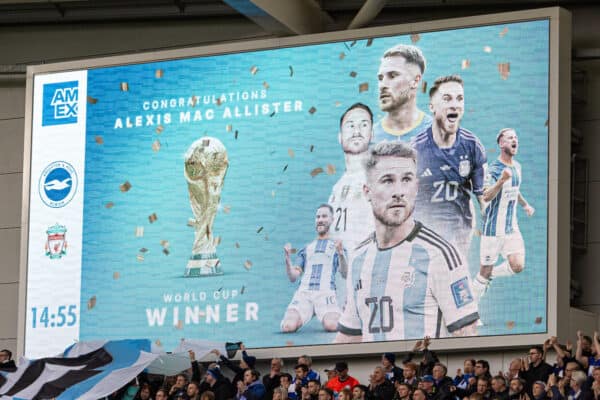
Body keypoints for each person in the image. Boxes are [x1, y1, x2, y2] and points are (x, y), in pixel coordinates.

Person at [335, 141, 479, 342]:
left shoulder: (440, 255)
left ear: (417, 187)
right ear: (367, 191)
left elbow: (467, 335)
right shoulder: (359, 258)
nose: (399, 191)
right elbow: (350, 336)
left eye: (406, 179)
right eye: (387, 180)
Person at [411, 74, 487, 257]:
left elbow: (483, 198)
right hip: (424, 236)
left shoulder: (472, 146)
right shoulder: (415, 150)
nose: (455, 104)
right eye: (447, 99)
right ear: (432, 107)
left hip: (459, 236)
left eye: (460, 99)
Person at [472, 128, 535, 300]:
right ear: (501, 143)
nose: (515, 140)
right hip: (493, 230)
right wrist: (500, 181)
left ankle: (491, 275)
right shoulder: (493, 169)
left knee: (518, 265)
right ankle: (471, 311)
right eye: (510, 138)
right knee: (483, 272)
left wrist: (525, 205)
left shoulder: (517, 167)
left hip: (511, 228)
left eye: (516, 137)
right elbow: (486, 196)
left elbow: (515, 190)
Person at [281, 204, 347, 333]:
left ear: (332, 219)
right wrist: (288, 260)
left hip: (325, 293)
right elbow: (293, 277)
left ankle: (341, 312)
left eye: (324, 216)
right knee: (288, 327)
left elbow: (345, 273)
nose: (320, 219)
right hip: (304, 294)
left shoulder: (337, 246)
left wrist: (340, 254)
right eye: (318, 217)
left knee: (332, 325)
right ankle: (309, 311)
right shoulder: (307, 248)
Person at [329, 103, 376, 249]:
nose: (357, 131)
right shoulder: (336, 189)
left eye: (363, 125)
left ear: (371, 134)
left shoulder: (380, 179)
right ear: (340, 137)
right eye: (350, 125)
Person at [374, 44, 432, 143]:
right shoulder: (369, 138)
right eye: (380, 78)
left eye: (392, 76)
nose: (382, 85)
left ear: (415, 81)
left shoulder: (439, 133)